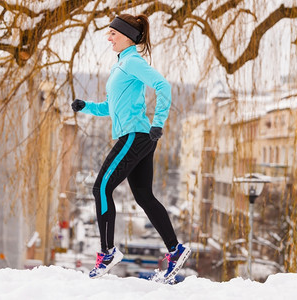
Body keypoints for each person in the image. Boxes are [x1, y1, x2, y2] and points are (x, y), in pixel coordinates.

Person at [71, 14, 190, 282]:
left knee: (101, 188)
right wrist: (87, 106)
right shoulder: (121, 66)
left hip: (135, 136)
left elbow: (163, 85)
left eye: (112, 33)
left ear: (126, 36)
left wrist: (158, 123)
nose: (108, 37)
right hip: (138, 136)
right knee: (144, 196)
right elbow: (111, 108)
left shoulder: (133, 62)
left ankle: (108, 252)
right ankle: (175, 249)